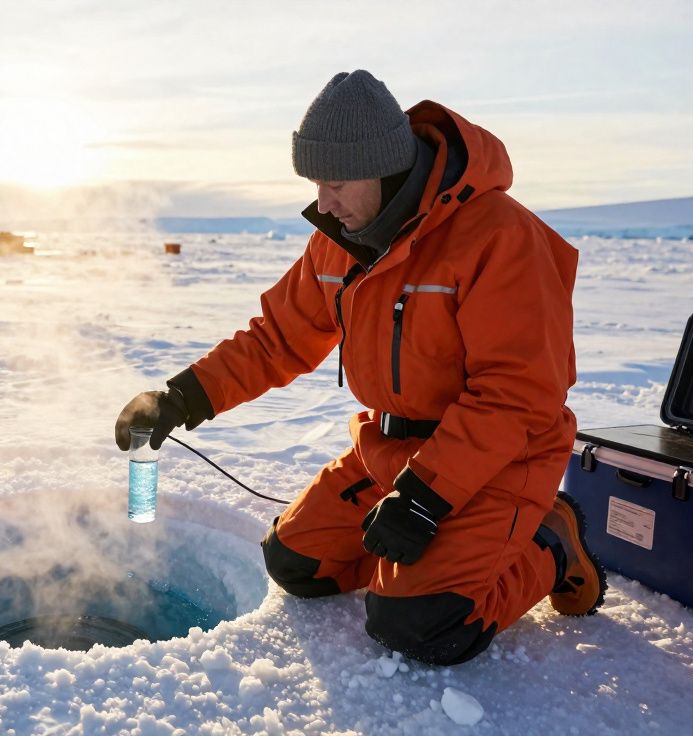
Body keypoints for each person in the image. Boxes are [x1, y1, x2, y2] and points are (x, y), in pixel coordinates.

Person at [114, 70, 605, 665]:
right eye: (316, 184)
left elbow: (518, 396)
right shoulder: (340, 239)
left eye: (337, 183)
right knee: (297, 564)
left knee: (419, 625)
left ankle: (549, 542)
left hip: (497, 461)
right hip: (388, 452)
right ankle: (430, 559)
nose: (323, 203)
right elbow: (276, 339)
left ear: (384, 168)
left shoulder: (500, 237)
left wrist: (424, 498)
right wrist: (181, 398)